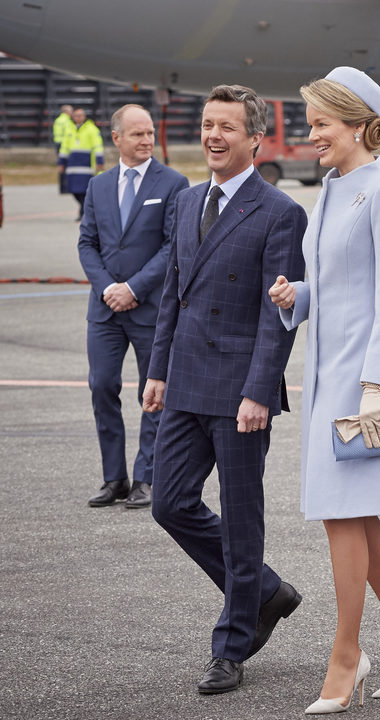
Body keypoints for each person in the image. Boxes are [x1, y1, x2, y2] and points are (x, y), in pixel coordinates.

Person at [268, 66, 380, 714]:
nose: (311, 133)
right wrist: (301, 296)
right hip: (328, 371)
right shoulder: (334, 188)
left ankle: (348, 654)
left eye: (321, 122)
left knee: (344, 512)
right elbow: (343, 282)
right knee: (351, 513)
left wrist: (376, 388)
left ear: (357, 124)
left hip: (370, 374)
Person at [142, 84, 307, 695]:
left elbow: (277, 316)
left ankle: (232, 644)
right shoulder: (185, 203)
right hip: (185, 381)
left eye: (227, 128)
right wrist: (156, 372)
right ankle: (265, 591)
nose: (213, 136)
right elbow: (172, 300)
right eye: (208, 125)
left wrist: (260, 391)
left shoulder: (280, 212)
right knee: (169, 502)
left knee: (241, 522)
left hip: (242, 390)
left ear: (255, 138)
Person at [77, 104, 189, 510]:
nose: (146, 141)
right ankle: (114, 478)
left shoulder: (174, 183)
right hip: (105, 309)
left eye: (150, 133)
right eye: (138, 134)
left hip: (149, 307)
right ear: (117, 138)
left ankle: (147, 477)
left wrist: (133, 288)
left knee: (152, 393)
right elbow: (86, 243)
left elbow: (172, 246)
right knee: (102, 386)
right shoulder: (98, 186)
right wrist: (109, 287)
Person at [59, 106, 104, 220]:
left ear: (84, 117)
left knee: (84, 191)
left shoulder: (91, 129)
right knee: (74, 191)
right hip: (72, 166)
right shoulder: (69, 129)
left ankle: (83, 213)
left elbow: (97, 146)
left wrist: (99, 161)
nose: (78, 117)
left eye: (80, 115)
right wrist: (61, 162)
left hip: (86, 166)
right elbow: (64, 147)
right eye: (76, 115)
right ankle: (84, 210)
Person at [53, 104, 73, 194]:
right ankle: (66, 187)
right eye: (71, 111)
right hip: (65, 145)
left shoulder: (58, 120)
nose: (72, 113)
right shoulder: (67, 121)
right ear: (66, 112)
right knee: (66, 167)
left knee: (61, 166)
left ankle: (62, 188)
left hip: (58, 144)